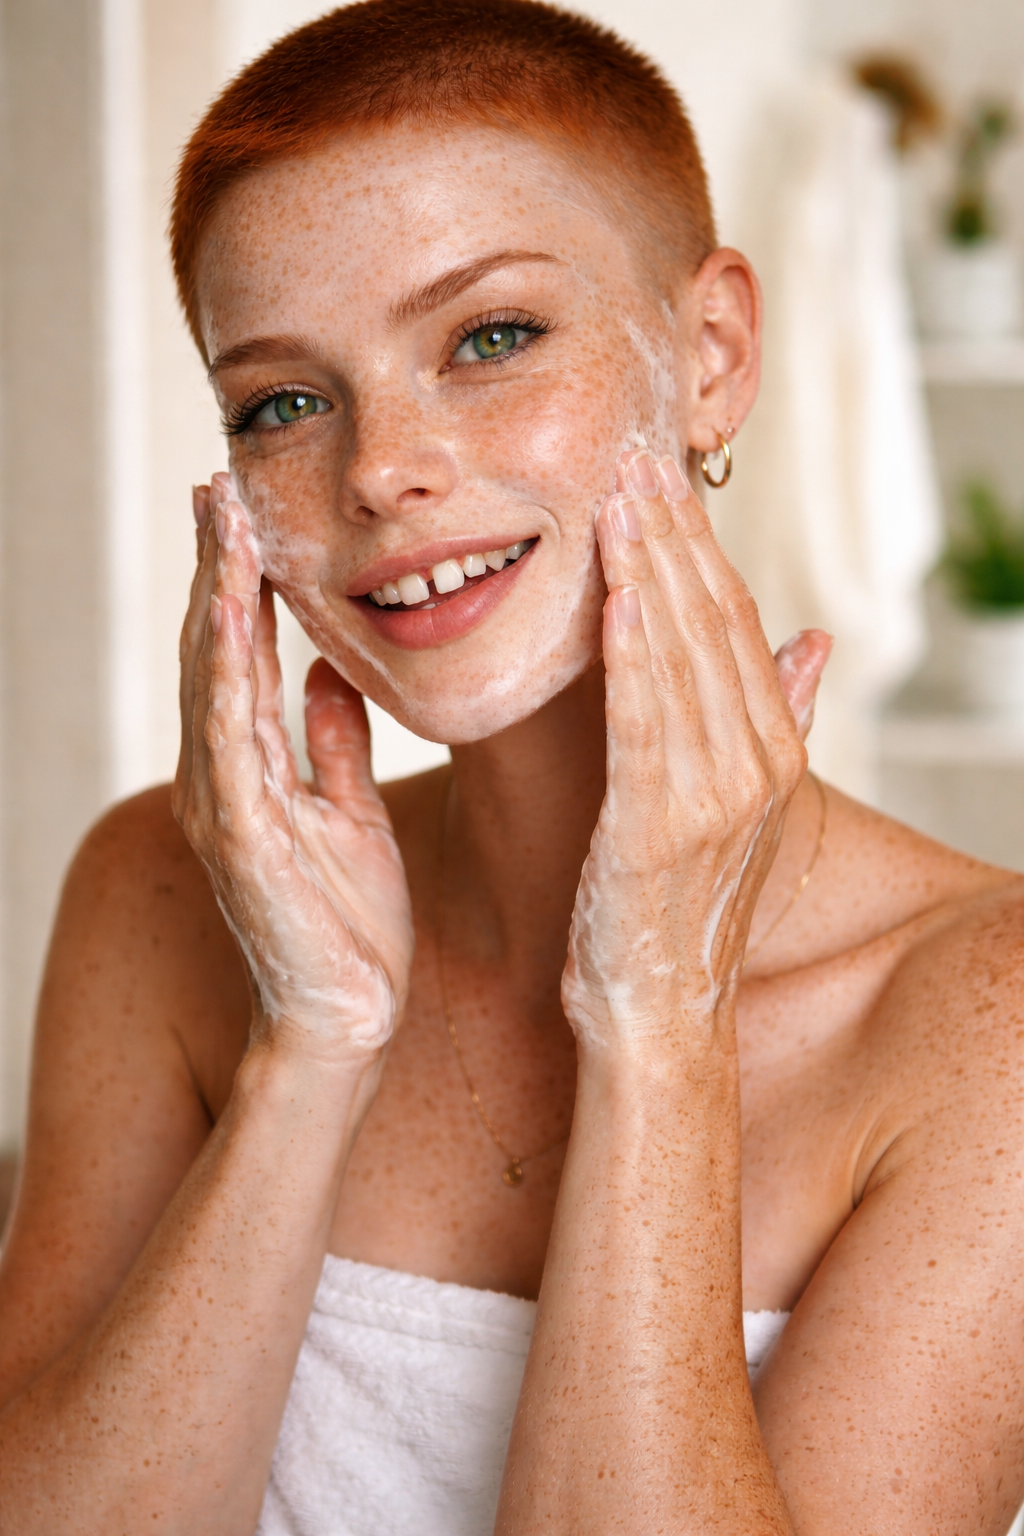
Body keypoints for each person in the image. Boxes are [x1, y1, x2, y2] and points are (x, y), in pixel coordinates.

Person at [1, 2, 1022, 1531]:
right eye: (283, 400)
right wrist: (313, 1048)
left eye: (491, 336)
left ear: (712, 355)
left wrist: (660, 1008)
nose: (376, 468)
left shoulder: (984, 1016)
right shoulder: (160, 891)